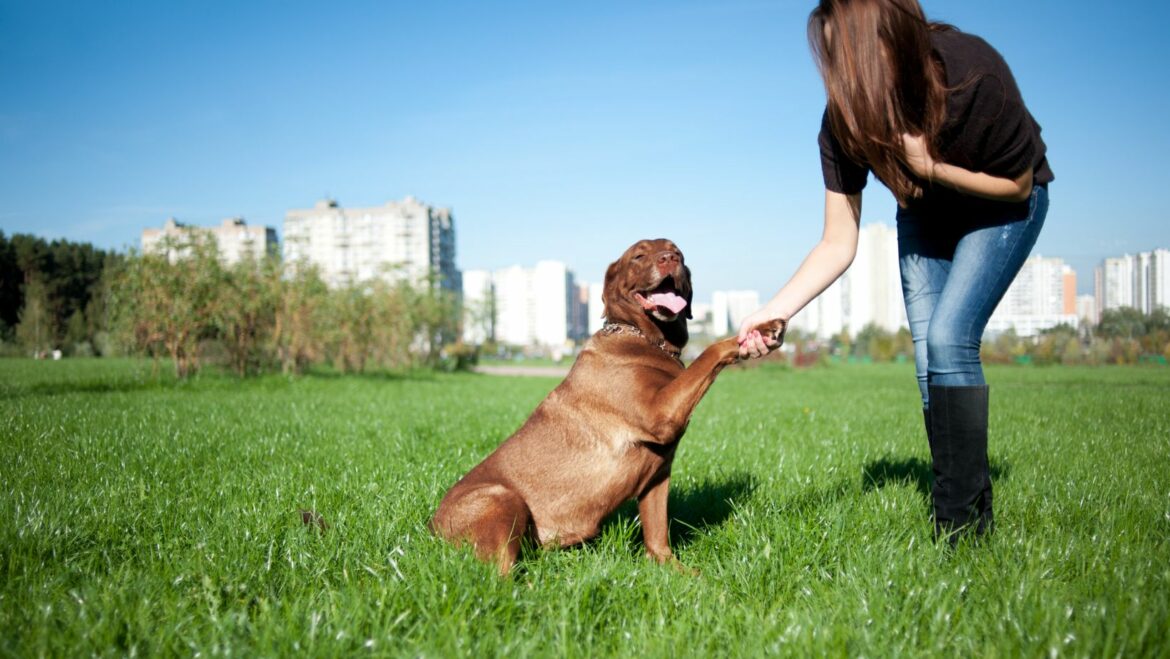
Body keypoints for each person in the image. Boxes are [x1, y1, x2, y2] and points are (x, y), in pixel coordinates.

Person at [737, 0, 1052, 543]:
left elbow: (1019, 185)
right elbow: (838, 241)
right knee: (930, 354)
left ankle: (961, 534)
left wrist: (927, 166)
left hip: (1002, 208)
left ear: (887, 40)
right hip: (925, 215)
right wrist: (774, 311)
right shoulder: (843, 123)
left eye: (846, 54)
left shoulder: (971, 72)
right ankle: (963, 513)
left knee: (953, 338)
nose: (839, 72)